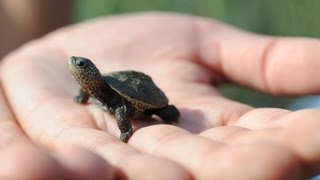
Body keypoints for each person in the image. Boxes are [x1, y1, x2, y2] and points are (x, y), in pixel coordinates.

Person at [0, 12, 320, 179]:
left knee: (164, 111)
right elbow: (92, 93)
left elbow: (121, 107)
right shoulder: (92, 86)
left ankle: (168, 113)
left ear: (91, 71)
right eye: (76, 65)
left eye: (81, 65)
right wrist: (81, 97)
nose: (76, 65)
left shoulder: (109, 90)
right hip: (114, 87)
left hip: (139, 95)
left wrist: (125, 130)